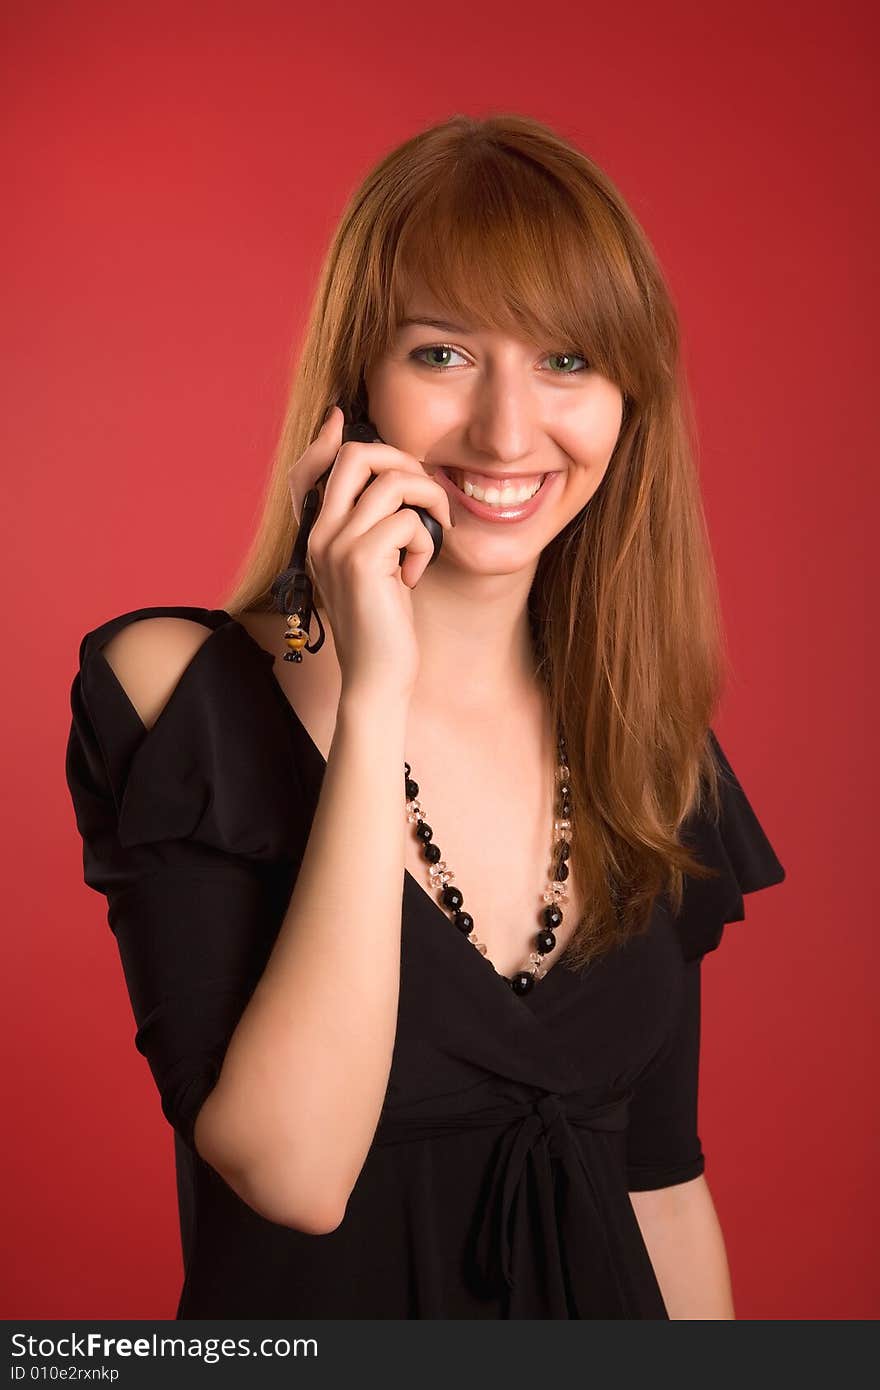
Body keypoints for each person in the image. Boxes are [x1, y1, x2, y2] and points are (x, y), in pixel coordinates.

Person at [64, 112, 786, 1319]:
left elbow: (659, 1189)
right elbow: (290, 1171)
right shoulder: (173, 690)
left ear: (628, 399)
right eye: (445, 354)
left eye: (566, 361)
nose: (509, 433)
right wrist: (376, 689)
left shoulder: (650, 750)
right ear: (357, 385)